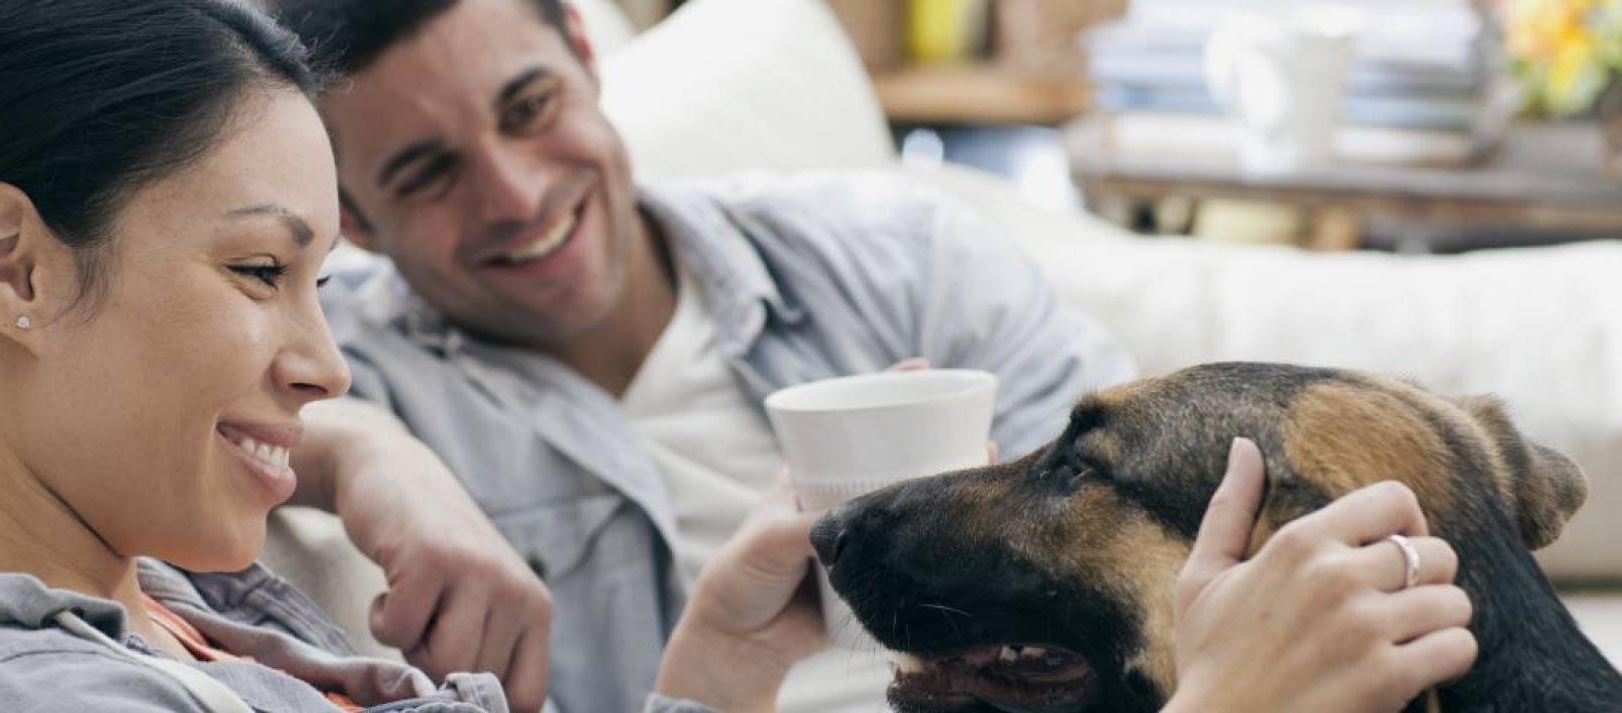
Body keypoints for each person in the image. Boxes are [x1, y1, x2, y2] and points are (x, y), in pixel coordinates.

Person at [256, 1, 1479, 712]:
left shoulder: (902, 258)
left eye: (528, 108)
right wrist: (364, 448)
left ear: (584, 52)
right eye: (426, 175)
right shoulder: (353, 371)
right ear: (351, 217)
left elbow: (1168, 527)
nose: (517, 194)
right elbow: (129, 414)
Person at [0, 1, 888, 711]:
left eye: (318, 283)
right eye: (258, 272)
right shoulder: (2, 692)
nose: (328, 368)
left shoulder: (159, 589)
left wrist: (722, 668)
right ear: (12, 266)